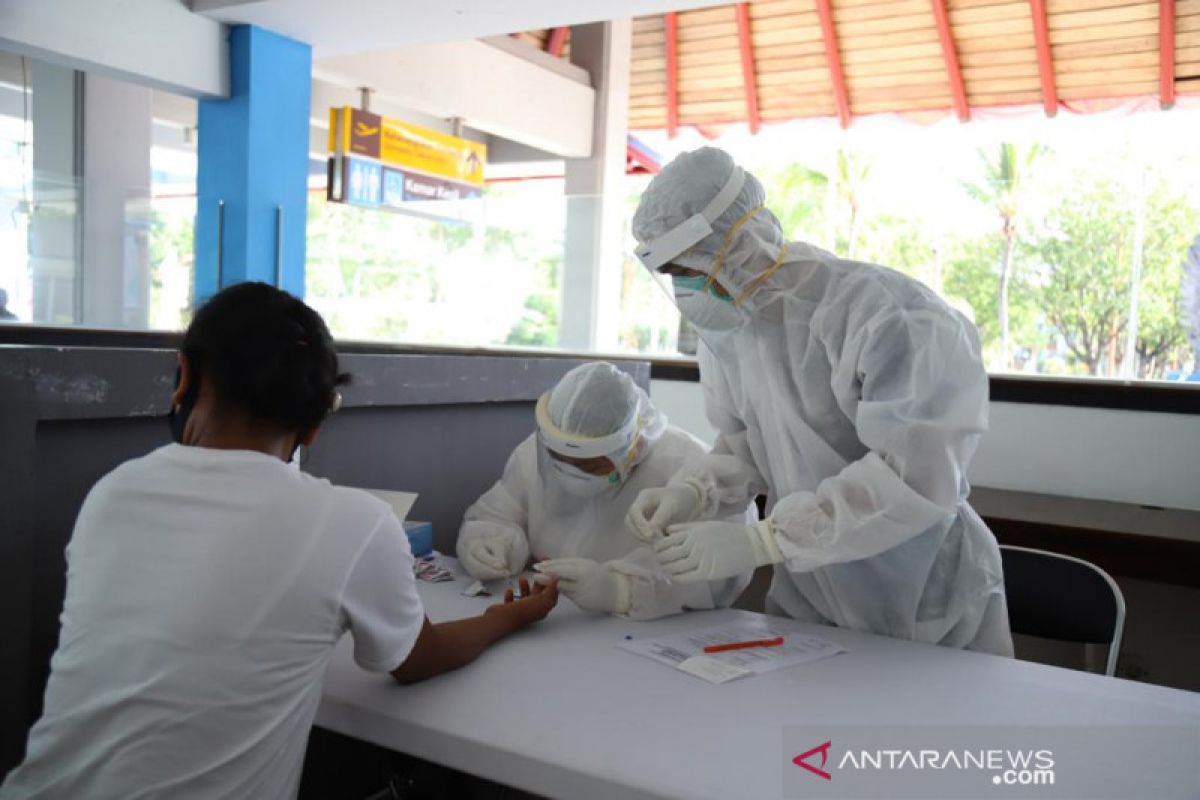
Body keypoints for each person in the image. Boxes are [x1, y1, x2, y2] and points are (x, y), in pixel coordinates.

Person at [2, 282, 558, 798]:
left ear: (184, 376)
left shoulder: (113, 492)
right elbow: (415, 661)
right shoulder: (353, 523)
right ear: (315, 425)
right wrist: (506, 617)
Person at [626, 147, 1013, 656]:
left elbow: (914, 479)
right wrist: (694, 492)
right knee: (810, 734)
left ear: (740, 243)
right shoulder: (732, 332)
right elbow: (745, 448)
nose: (687, 290)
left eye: (691, 270)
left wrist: (763, 541)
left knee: (928, 735)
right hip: (813, 600)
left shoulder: (891, 318)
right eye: (674, 275)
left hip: (927, 601)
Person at [457, 361, 752, 620]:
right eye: (560, 460)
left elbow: (719, 572)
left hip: (653, 636)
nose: (570, 472)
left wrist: (620, 590)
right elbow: (497, 513)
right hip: (555, 627)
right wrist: (488, 541)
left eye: (589, 466)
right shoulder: (533, 456)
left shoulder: (692, 469)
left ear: (630, 447)